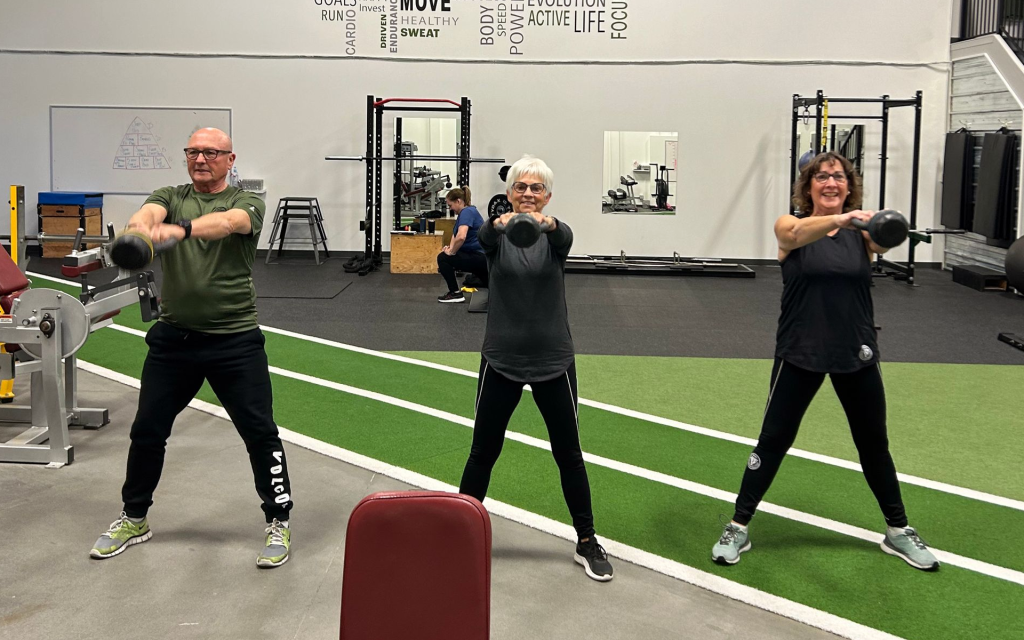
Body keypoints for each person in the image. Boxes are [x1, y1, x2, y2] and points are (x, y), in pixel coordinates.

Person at [712, 151, 939, 572]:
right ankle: (738, 525)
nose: (830, 182)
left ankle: (898, 529)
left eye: (838, 176)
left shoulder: (862, 237)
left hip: (856, 350)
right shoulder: (790, 226)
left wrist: (887, 224)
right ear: (808, 186)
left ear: (849, 186)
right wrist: (842, 220)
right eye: (821, 177)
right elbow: (796, 233)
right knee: (773, 441)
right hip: (800, 351)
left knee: (874, 444)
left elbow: (887, 238)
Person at [90, 128, 294, 568]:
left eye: (211, 152)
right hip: (174, 339)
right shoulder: (170, 194)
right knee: (147, 431)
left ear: (229, 158)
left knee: (260, 433)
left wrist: (175, 232)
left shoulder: (247, 201)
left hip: (235, 339)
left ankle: (278, 520)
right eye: (193, 151)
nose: (201, 158)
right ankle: (134, 517)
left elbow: (226, 225)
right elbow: (147, 215)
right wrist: (140, 232)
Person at [457, 155, 614, 582]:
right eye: (521, 187)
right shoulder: (496, 236)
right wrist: (499, 223)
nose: (528, 194)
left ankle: (586, 539)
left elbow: (564, 234)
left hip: (553, 360)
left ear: (547, 197)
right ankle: (459, 537)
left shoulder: (555, 236)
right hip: (501, 360)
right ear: (509, 194)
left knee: (569, 455)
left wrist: (546, 224)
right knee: (482, 452)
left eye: (536, 189)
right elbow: (485, 238)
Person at [436, 186, 487, 303]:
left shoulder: (467, 212)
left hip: (480, 258)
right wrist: (449, 248)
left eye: (450, 205)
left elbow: (461, 236)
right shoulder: (467, 212)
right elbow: (455, 236)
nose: (450, 208)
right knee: (493, 288)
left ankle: (455, 293)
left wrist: (451, 252)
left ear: (458, 201)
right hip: (481, 257)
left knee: (443, 258)